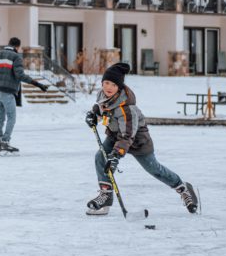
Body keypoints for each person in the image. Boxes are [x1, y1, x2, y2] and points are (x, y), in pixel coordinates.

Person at [84, 62, 200, 216]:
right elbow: (102, 108)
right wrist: (94, 115)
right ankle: (106, 196)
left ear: (119, 86)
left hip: (137, 140)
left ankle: (183, 188)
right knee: (101, 157)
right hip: (115, 136)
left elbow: (127, 135)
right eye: (106, 83)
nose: (108, 87)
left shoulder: (127, 108)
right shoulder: (103, 95)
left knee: (154, 169)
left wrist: (116, 155)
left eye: (113, 84)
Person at [0, 37, 48, 155]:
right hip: (7, 92)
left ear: (8, 44)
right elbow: (20, 76)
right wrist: (37, 84)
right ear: (17, 46)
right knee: (11, 117)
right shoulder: (16, 57)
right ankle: (5, 142)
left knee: (0, 116)